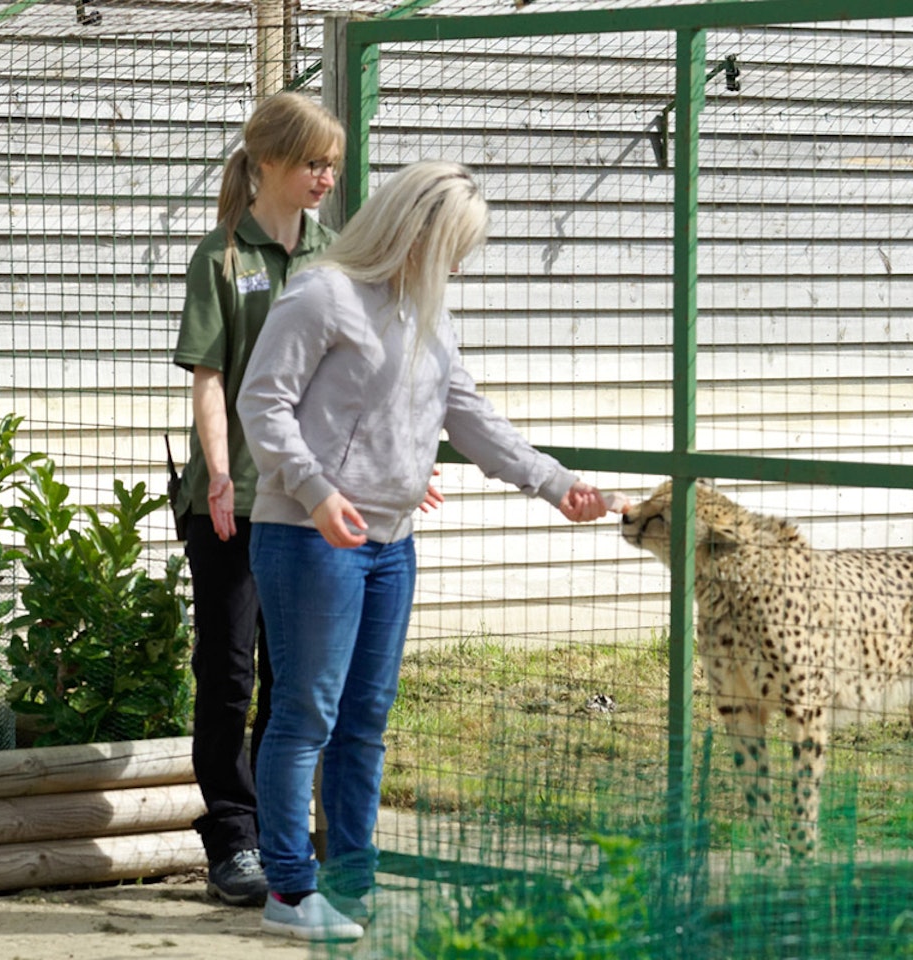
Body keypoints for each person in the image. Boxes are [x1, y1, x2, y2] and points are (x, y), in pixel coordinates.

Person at [237, 159, 614, 942]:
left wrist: (555, 483)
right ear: (414, 229)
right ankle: (288, 889)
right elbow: (261, 403)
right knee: (306, 713)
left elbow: (467, 414)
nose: (457, 266)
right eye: (453, 247)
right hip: (311, 535)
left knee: (365, 720)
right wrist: (314, 490)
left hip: (391, 541)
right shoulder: (321, 293)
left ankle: (351, 882)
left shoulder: (427, 311)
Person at [170, 91, 345, 907]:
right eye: (314, 163)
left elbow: (355, 376)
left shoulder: (336, 257)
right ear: (270, 162)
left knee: (295, 673)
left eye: (333, 166)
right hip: (232, 499)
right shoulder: (221, 258)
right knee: (229, 671)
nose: (325, 179)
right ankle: (231, 842)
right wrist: (215, 472)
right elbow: (210, 378)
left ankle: (283, 842)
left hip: (309, 499)